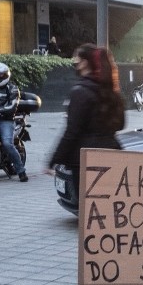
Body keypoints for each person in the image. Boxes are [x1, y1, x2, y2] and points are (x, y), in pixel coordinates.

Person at [45, 44, 125, 192]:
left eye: (77, 58)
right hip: (113, 153)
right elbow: (121, 124)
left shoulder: (80, 91)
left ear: (84, 63)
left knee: (89, 207)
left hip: (85, 159)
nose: (74, 62)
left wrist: (54, 160)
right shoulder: (113, 91)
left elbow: (72, 131)